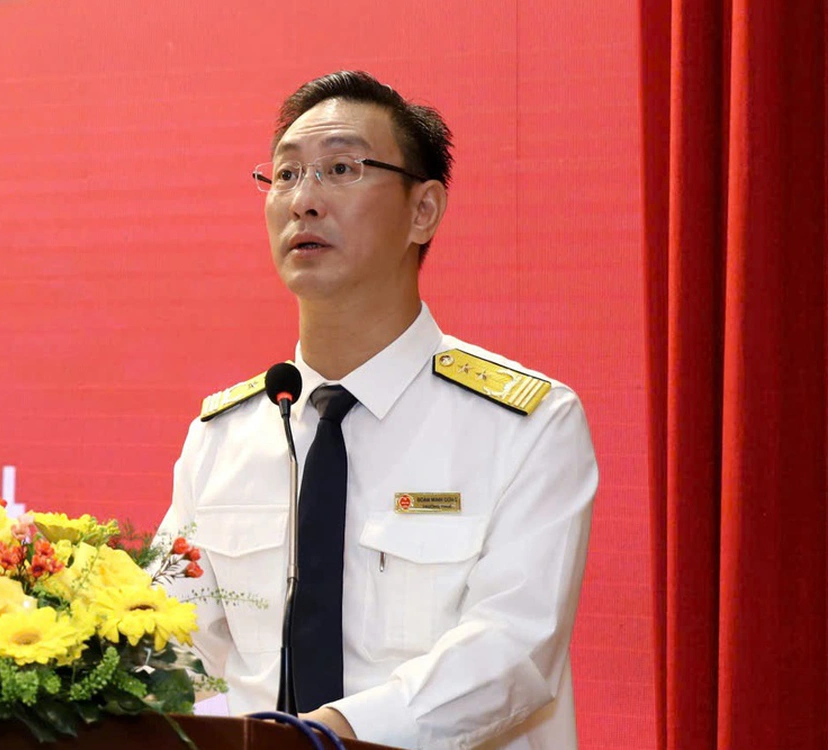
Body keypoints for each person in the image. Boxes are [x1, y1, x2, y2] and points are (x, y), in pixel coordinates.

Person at [156, 71, 597, 749]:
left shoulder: (526, 425)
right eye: (285, 175)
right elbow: (168, 643)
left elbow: (513, 650)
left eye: (341, 169)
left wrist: (326, 737)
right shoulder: (224, 436)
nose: (304, 200)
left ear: (424, 210)